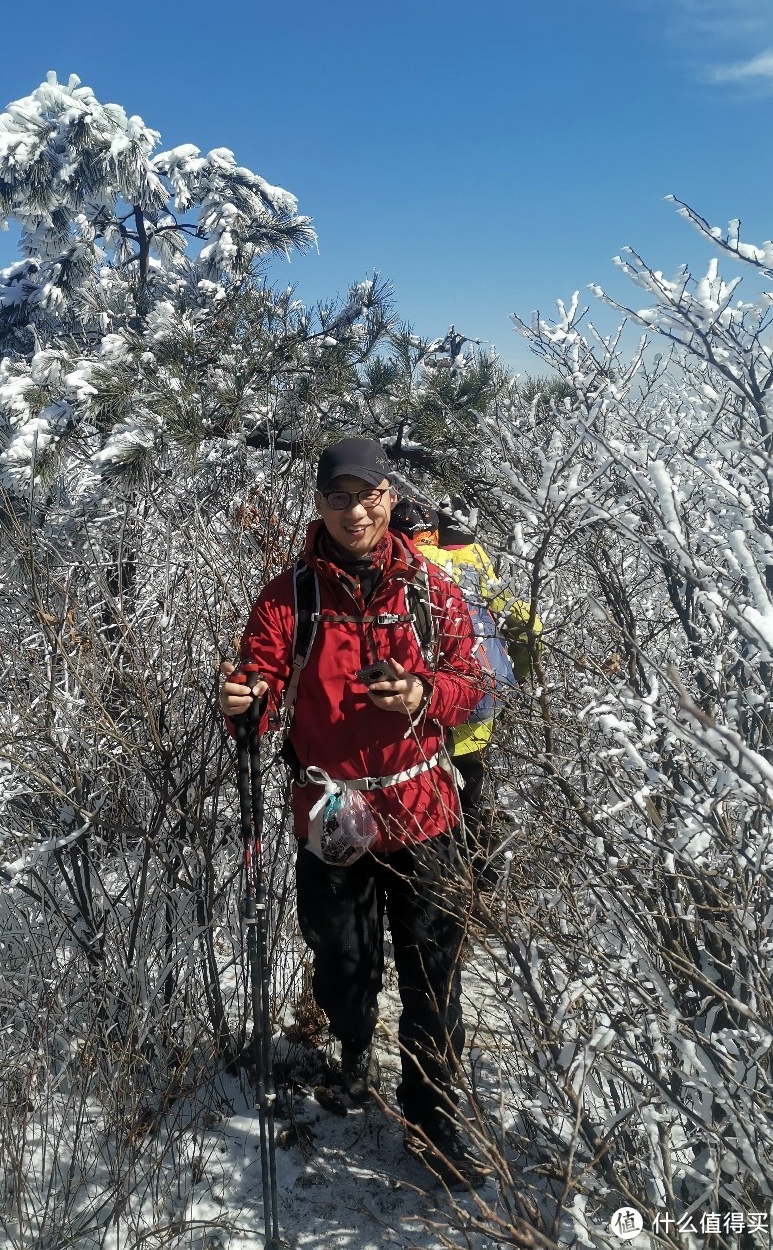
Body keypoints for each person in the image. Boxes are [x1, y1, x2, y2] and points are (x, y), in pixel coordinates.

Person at [219, 437, 489, 1188]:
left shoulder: (433, 591)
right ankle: (353, 1043)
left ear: (389, 496)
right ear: (319, 504)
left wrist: (425, 695)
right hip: (331, 814)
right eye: (338, 496)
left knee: (434, 976)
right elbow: (261, 690)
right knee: (343, 966)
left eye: (367, 493)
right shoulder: (288, 597)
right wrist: (243, 703)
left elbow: (476, 684)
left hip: (425, 805)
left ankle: (432, 1118)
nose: (355, 509)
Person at [390, 496, 542, 885]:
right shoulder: (472, 563)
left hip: (426, 716)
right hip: (480, 705)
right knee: (470, 799)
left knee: (430, 811)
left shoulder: (400, 570)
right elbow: (529, 626)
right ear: (434, 531)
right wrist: (514, 678)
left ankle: (444, 888)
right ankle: (482, 884)